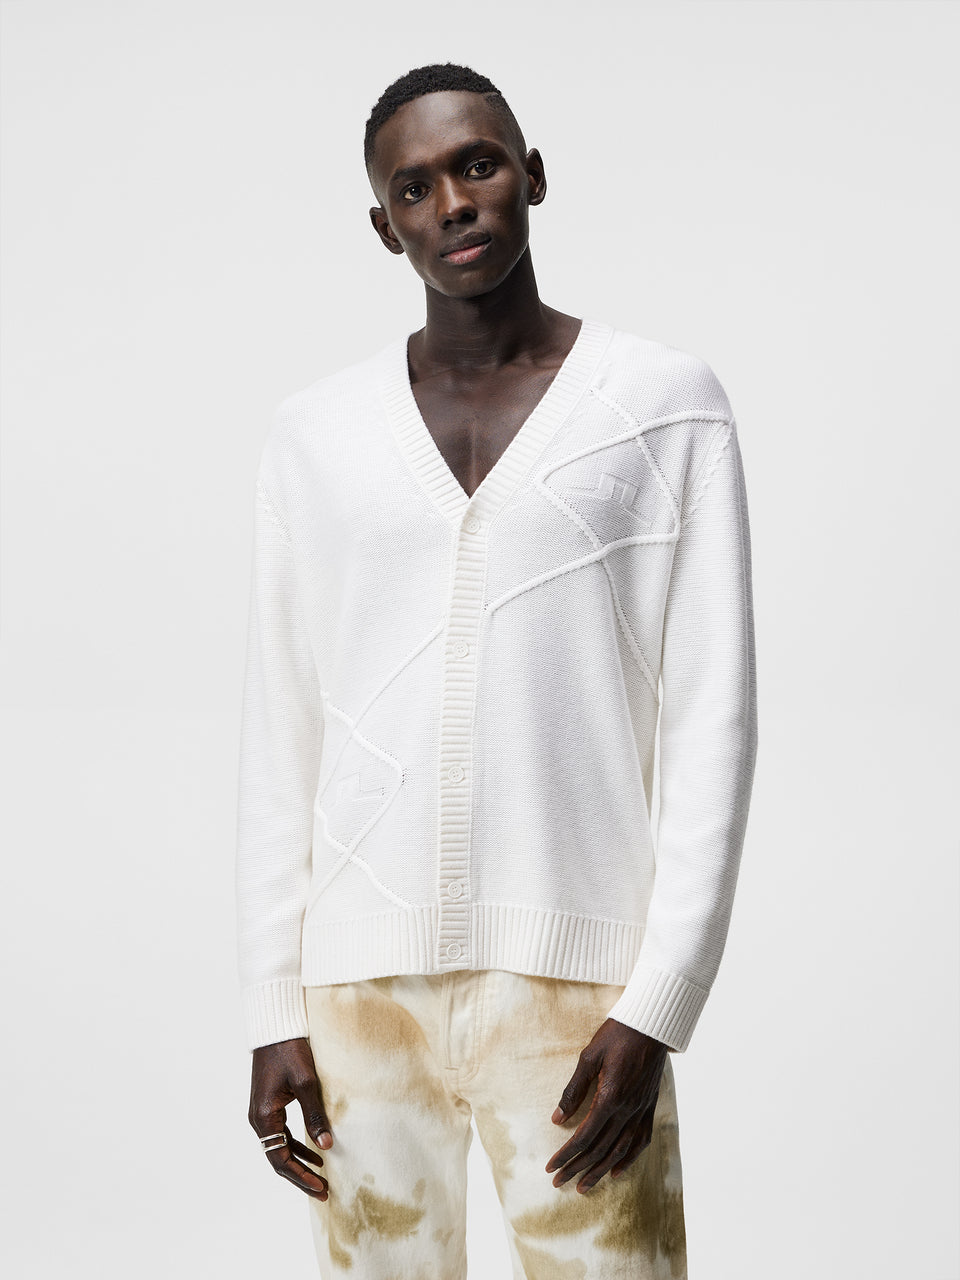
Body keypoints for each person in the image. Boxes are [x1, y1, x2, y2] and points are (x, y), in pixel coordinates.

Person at [236, 62, 758, 1279]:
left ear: (533, 175)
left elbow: (715, 718)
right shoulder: (314, 435)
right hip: (359, 996)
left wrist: (660, 999)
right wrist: (274, 1004)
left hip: (580, 991)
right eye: (414, 187)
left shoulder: (665, 404)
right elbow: (283, 726)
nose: (454, 202)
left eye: (477, 165)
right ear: (385, 227)